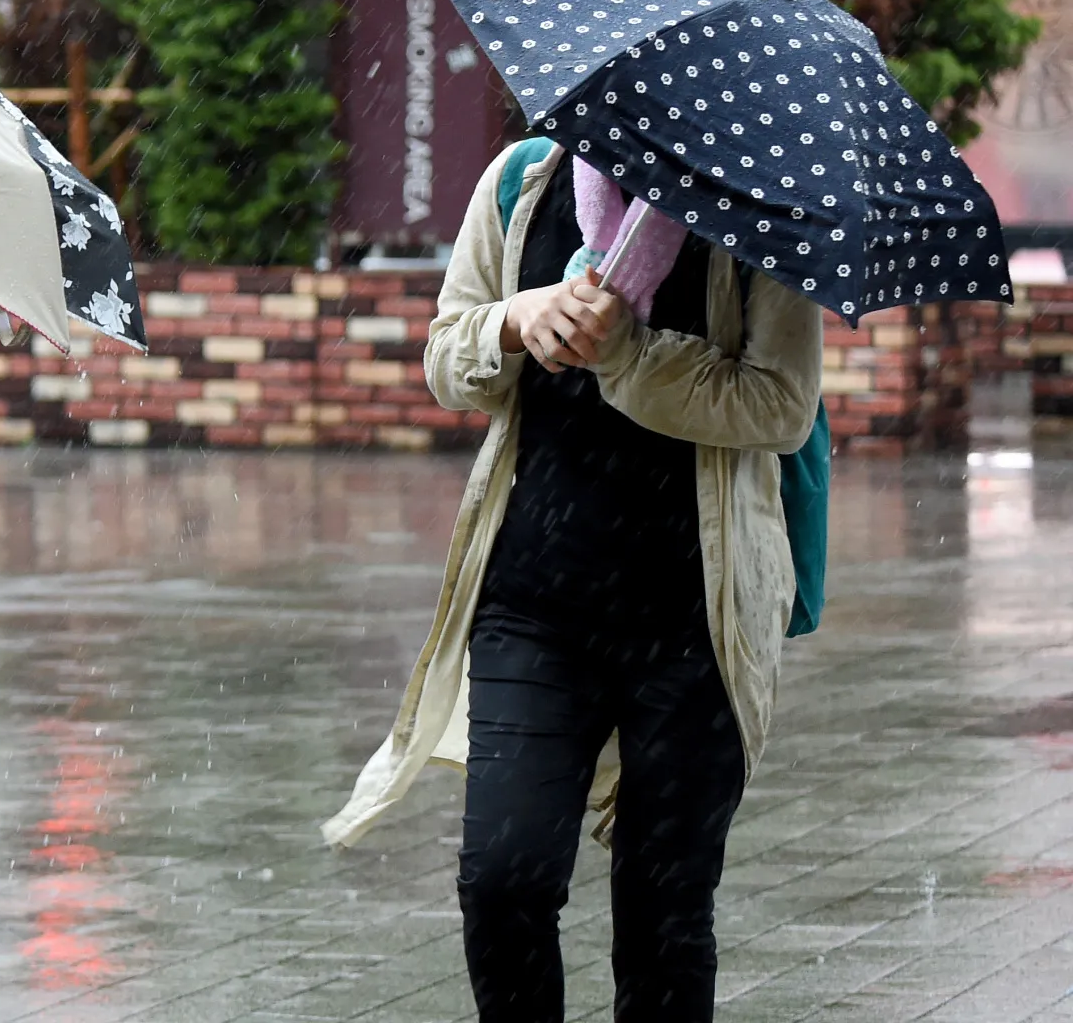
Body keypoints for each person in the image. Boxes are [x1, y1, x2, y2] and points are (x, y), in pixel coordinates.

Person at [323, 139, 823, 1022]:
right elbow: (448, 355)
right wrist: (518, 322)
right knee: (502, 879)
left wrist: (626, 355)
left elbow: (780, 405)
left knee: (664, 915)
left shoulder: (758, 203)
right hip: (535, 602)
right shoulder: (525, 181)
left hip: (696, 618)